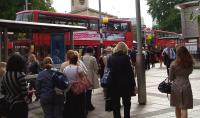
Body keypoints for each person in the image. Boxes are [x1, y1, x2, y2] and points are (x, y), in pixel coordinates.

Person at [109, 42, 136, 118]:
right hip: (125, 84)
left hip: (113, 84)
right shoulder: (126, 58)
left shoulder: (111, 58)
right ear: (125, 48)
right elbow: (130, 73)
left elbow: (107, 71)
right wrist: (133, 84)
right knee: (127, 103)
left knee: (115, 104)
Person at [169, 46, 194, 118]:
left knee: (177, 106)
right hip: (186, 85)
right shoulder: (190, 63)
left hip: (176, 86)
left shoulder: (173, 64)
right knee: (184, 108)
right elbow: (190, 72)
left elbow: (170, 78)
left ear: (178, 54)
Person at [1, 53, 28, 118]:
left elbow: (2, 91)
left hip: (8, 104)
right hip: (19, 105)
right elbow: (24, 93)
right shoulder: (21, 75)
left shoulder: (5, 75)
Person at [63, 53, 87, 118]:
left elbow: (64, 78)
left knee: (71, 105)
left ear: (70, 60)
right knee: (79, 105)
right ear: (76, 60)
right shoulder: (78, 68)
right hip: (78, 89)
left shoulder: (65, 68)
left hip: (69, 89)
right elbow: (84, 78)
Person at [82, 46, 99, 111]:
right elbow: (96, 68)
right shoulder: (92, 58)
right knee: (89, 91)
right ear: (92, 51)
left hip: (83, 75)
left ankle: (86, 104)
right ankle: (88, 105)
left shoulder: (82, 57)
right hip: (90, 75)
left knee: (85, 91)